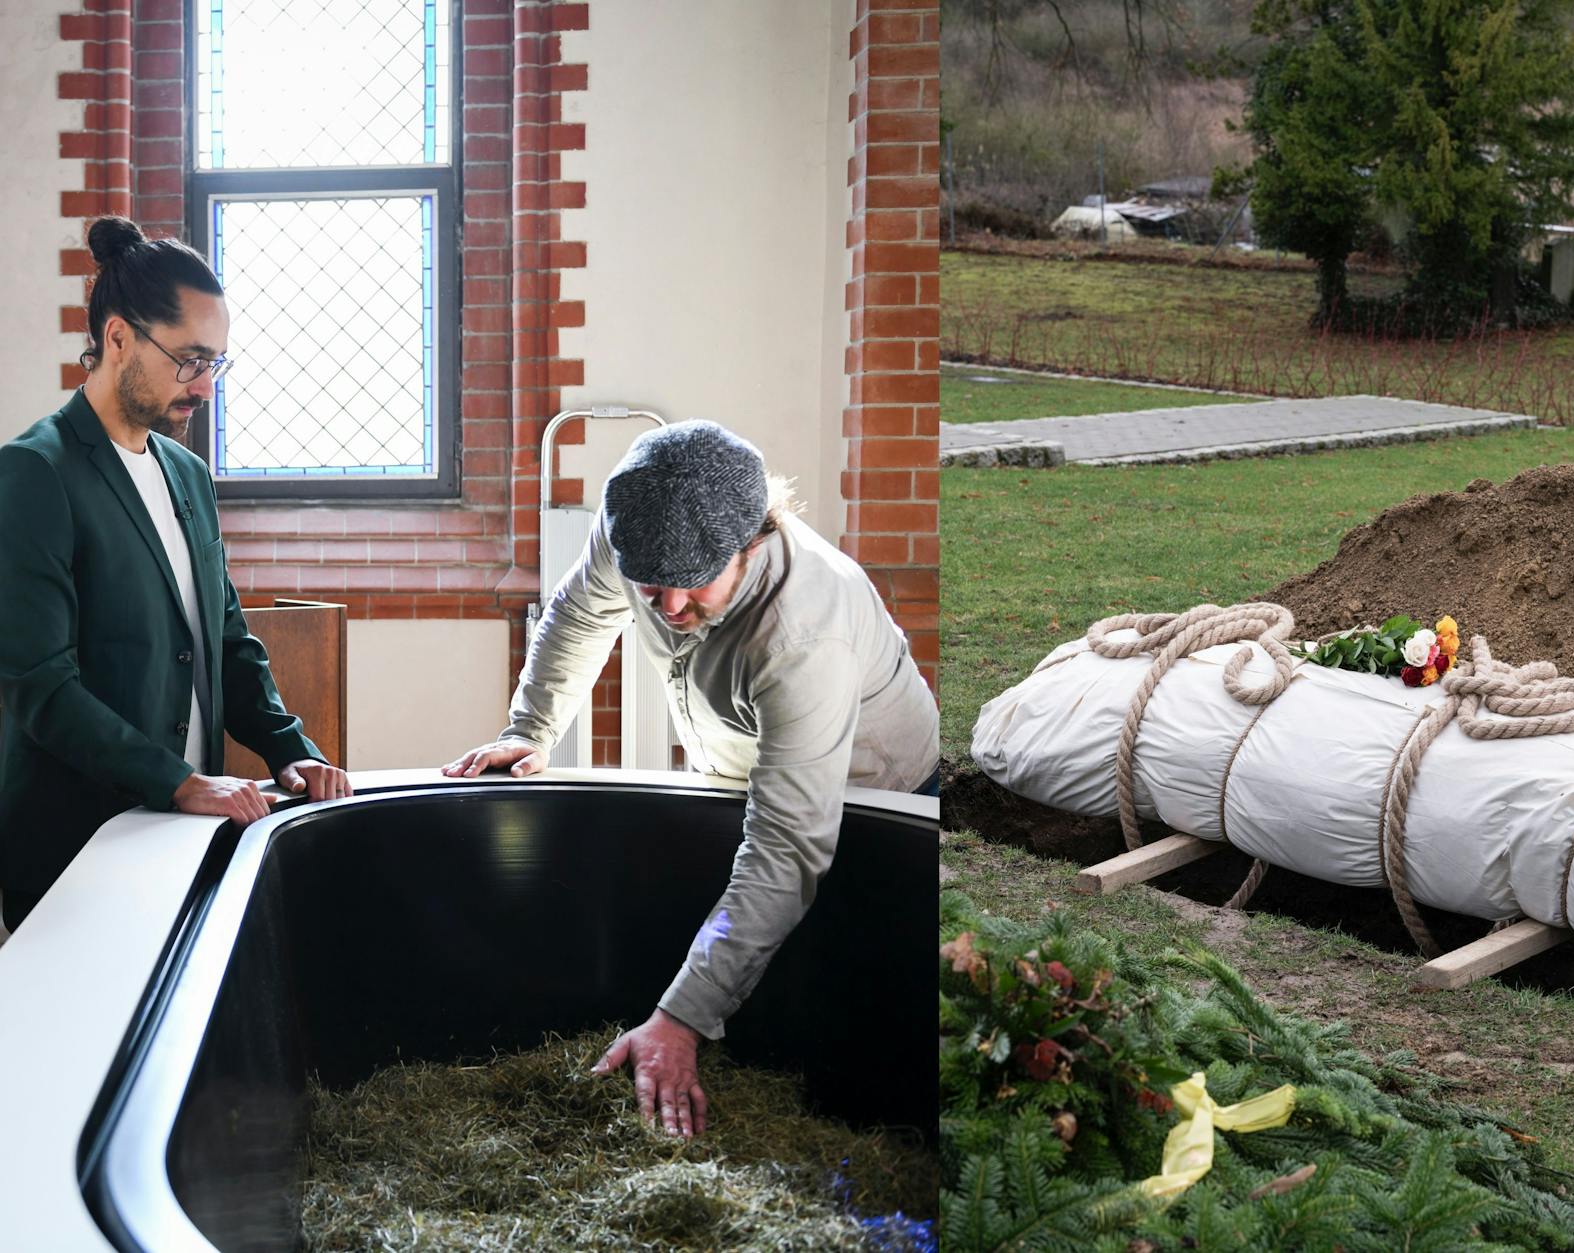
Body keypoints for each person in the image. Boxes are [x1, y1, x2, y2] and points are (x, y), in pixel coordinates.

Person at [444, 419, 939, 1139]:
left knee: (845, 993)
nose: (669, 608)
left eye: (691, 585)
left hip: (877, 794)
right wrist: (529, 728)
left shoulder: (804, 634)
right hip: (745, 771)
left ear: (754, 540)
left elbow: (786, 850)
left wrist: (678, 1023)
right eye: (650, 586)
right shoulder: (633, 526)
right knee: (751, 949)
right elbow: (579, 615)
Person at [0, 217, 350, 934]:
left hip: (186, 835)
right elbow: (39, 687)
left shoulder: (187, 473)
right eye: (190, 360)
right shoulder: (34, 471)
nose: (206, 387)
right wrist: (180, 782)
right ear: (119, 337)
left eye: (218, 363)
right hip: (78, 845)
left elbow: (224, 639)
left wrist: (292, 751)